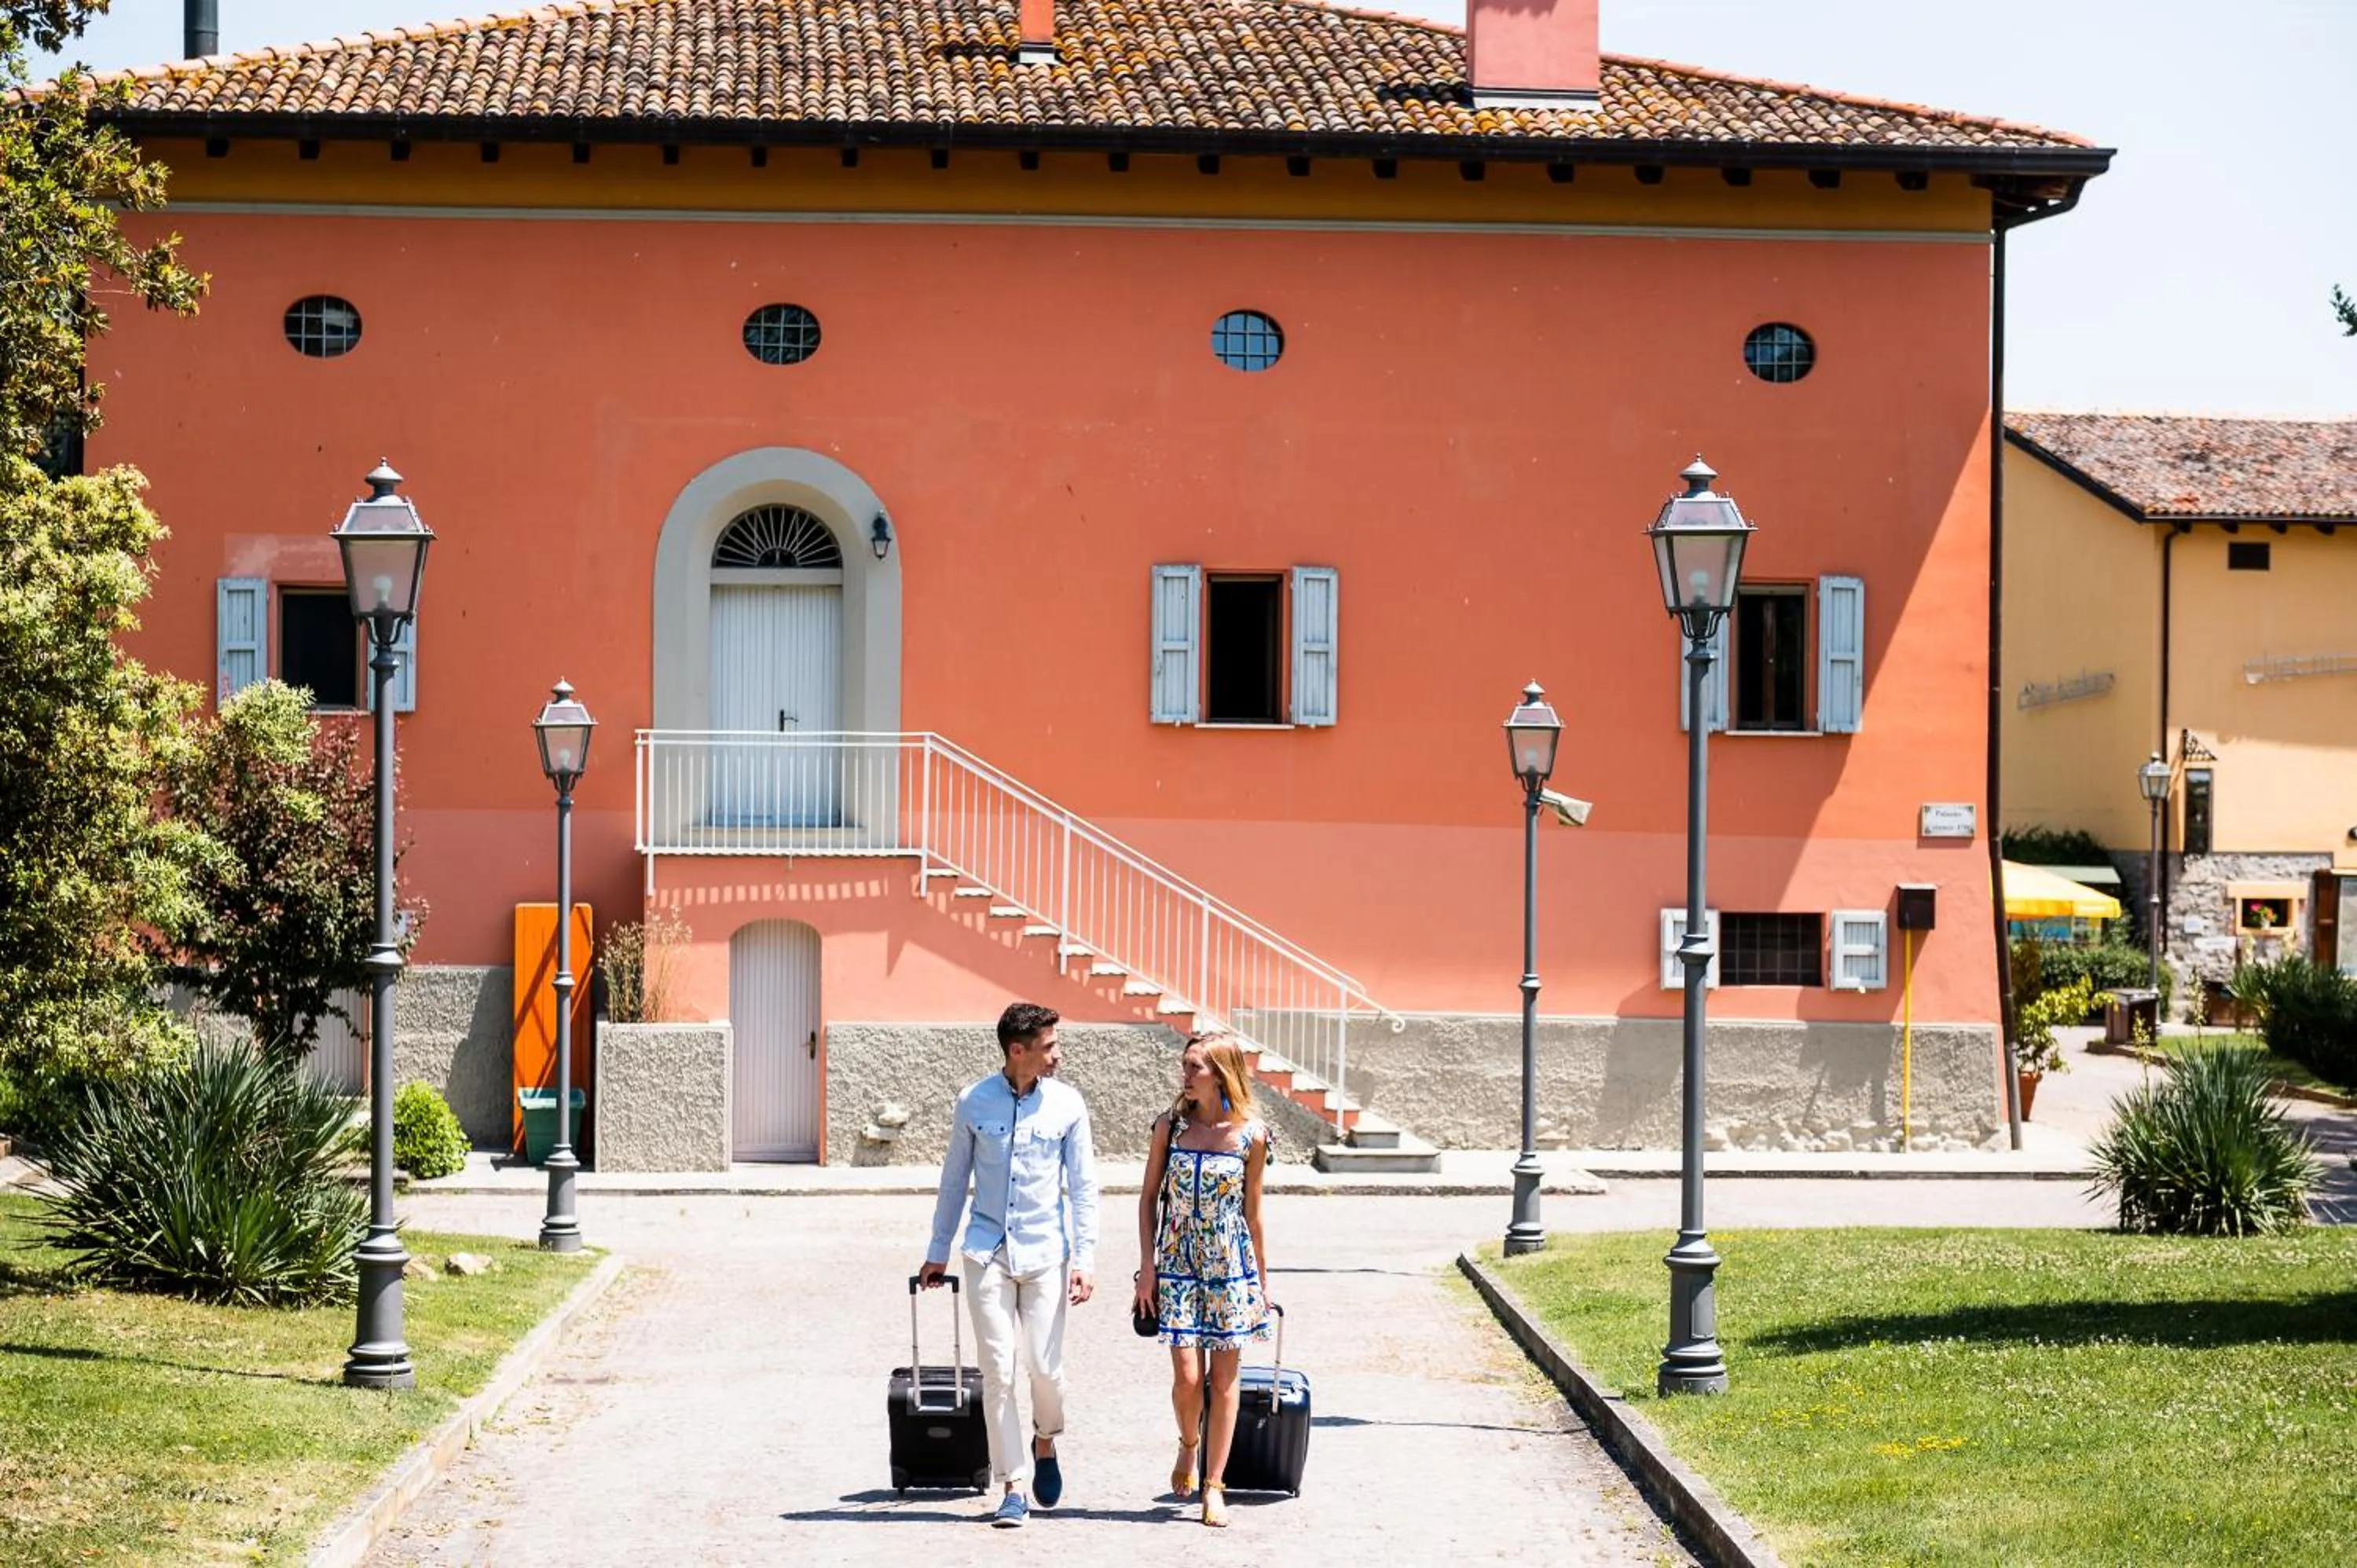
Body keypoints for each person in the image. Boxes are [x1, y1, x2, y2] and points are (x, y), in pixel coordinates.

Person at [918, 1002, 1098, 1530]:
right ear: (1017, 1050)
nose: (1057, 1054)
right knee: (998, 1371)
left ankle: (1046, 1439)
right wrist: (937, 1249)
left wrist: (1084, 1259)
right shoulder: (973, 1102)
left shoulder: (1068, 1105)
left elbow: (1085, 1189)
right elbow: (954, 1181)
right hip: (986, 1251)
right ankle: (1012, 1486)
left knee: (1044, 1369)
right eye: (1049, 1046)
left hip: (1046, 1254)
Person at [1132, 1029, 1276, 1528]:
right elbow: (1148, 1199)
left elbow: (1254, 1216)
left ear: (1221, 1074)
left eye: (1196, 1066)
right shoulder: (1168, 1127)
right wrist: (1146, 1269)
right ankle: (1188, 1444)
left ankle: (1214, 1485)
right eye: (1186, 1064)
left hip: (1229, 1266)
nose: (1185, 1073)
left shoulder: (1251, 1136)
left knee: (1225, 1379)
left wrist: (1260, 1283)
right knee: (1189, 1379)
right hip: (1176, 1263)